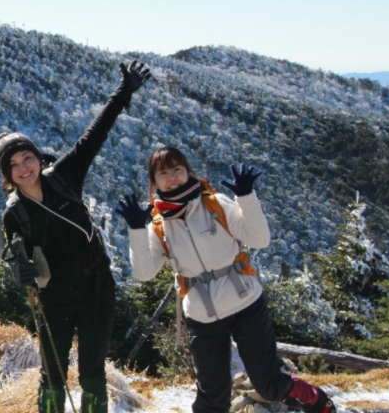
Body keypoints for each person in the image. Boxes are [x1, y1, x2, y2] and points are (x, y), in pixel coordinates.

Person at [115, 147, 337, 413]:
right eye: (164, 173)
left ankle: (315, 399)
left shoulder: (214, 204)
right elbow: (144, 273)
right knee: (213, 396)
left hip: (246, 304)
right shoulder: (159, 225)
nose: (172, 177)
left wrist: (246, 197)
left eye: (177, 170)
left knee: (268, 383)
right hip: (202, 315)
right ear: (154, 182)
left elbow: (259, 239)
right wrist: (137, 230)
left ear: (188, 172)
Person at [0, 61, 151, 413]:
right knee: (52, 375)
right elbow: (19, 258)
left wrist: (122, 93)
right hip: (55, 298)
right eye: (13, 165)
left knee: (93, 371)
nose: (24, 167)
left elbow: (93, 136)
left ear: (38, 158)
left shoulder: (64, 177)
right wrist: (22, 272)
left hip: (96, 286)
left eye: (27, 157)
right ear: (7, 175)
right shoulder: (14, 213)